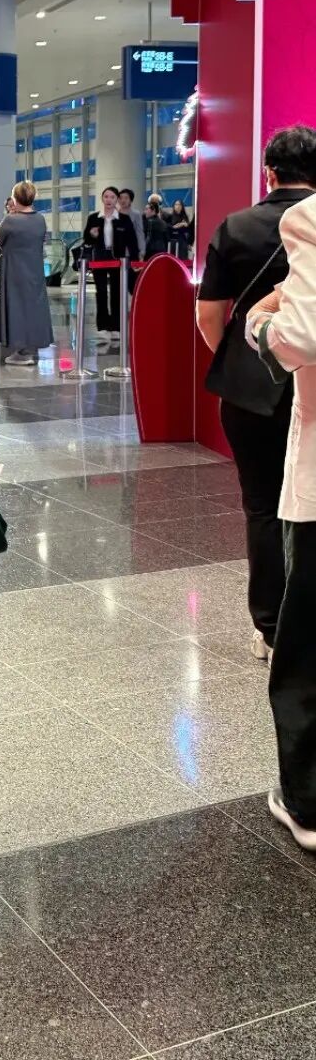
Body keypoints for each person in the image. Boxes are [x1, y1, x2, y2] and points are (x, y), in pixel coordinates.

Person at [196, 126, 316, 659]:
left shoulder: (235, 227)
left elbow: (208, 315)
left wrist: (243, 358)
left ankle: (269, 627)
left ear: (268, 172)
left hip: (252, 389)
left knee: (262, 504)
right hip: (310, 378)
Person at [245, 190, 316, 850]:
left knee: (305, 647)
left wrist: (259, 322)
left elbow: (300, 338)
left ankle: (307, 802)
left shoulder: (308, 220)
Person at [0, 180, 53, 366]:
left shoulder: (10, 220)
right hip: (35, 271)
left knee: (16, 308)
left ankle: (21, 350)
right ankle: (29, 349)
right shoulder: (40, 219)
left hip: (13, 271)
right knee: (33, 309)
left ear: (15, 198)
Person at [82, 186, 139, 347]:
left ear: (117, 200)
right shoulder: (94, 218)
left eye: (112, 197)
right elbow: (86, 239)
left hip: (117, 259)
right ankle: (102, 327)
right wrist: (92, 235)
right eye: (106, 196)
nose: (109, 200)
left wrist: (134, 261)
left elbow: (132, 241)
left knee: (116, 293)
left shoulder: (123, 219)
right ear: (102, 199)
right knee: (100, 292)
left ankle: (116, 327)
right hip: (99, 258)